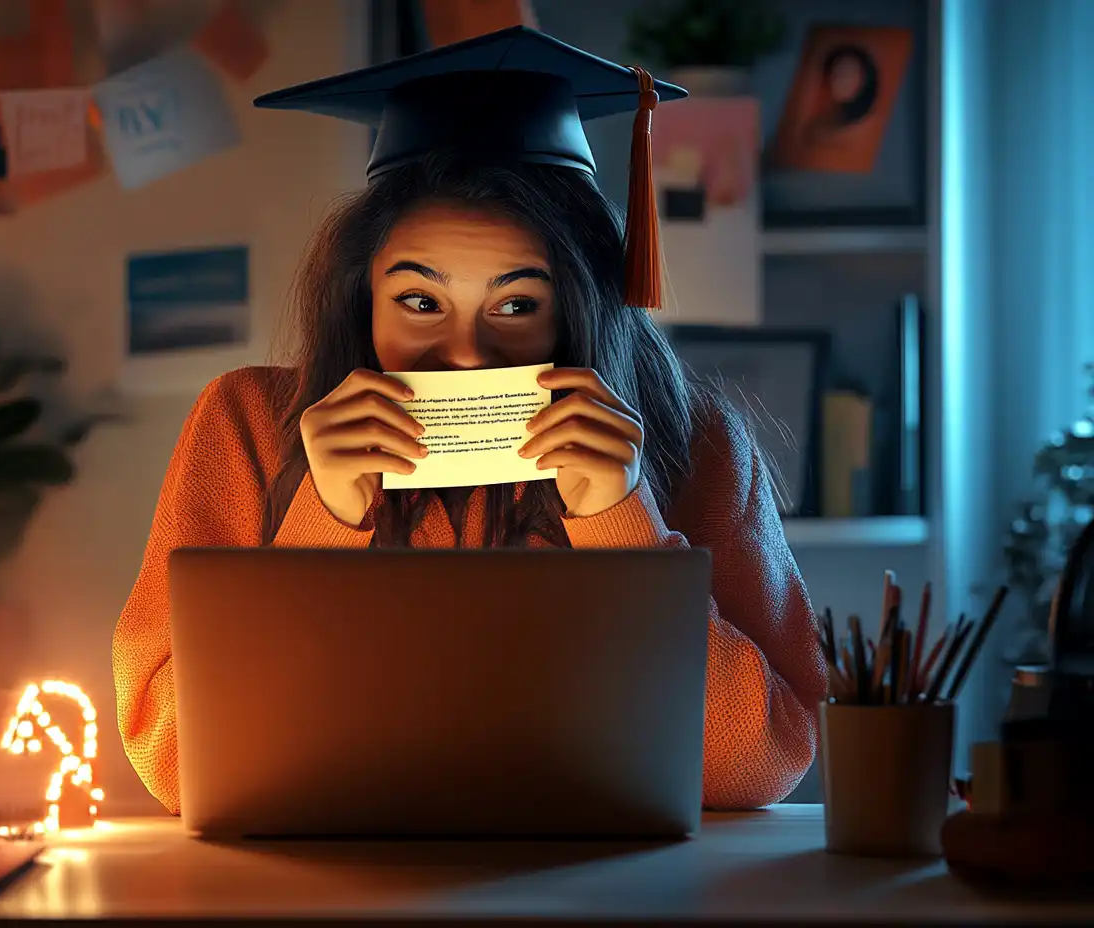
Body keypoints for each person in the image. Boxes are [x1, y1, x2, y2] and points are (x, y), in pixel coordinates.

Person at [113, 26, 828, 817]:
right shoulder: (247, 425)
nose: (465, 355)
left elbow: (765, 765)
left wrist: (621, 523)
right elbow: (174, 762)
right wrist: (325, 520)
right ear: (363, 300)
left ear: (580, 310)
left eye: (517, 305)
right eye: (420, 302)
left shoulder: (697, 443)